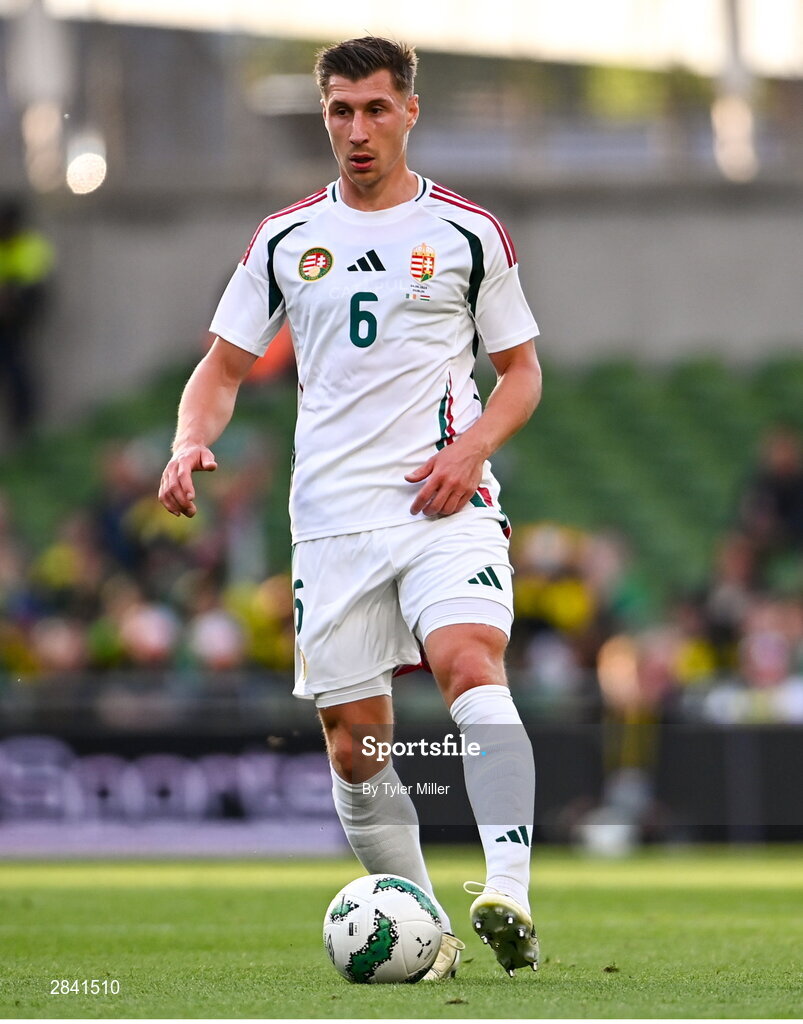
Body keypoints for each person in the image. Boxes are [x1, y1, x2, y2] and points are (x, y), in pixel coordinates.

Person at [159, 36, 542, 980]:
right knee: (356, 743)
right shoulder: (286, 238)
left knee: (468, 661)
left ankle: (509, 892)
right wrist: (186, 440)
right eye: (340, 110)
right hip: (330, 521)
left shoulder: (466, 231)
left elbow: (521, 375)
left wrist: (472, 449)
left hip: (440, 501)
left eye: (376, 108)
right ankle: (432, 940)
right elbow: (221, 368)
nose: (358, 129)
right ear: (324, 116)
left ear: (411, 110)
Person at [0, 198, 54, 440]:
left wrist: (13, 300)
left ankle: (26, 427)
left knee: (18, 372)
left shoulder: (31, 246)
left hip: (18, 322)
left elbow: (38, 290)